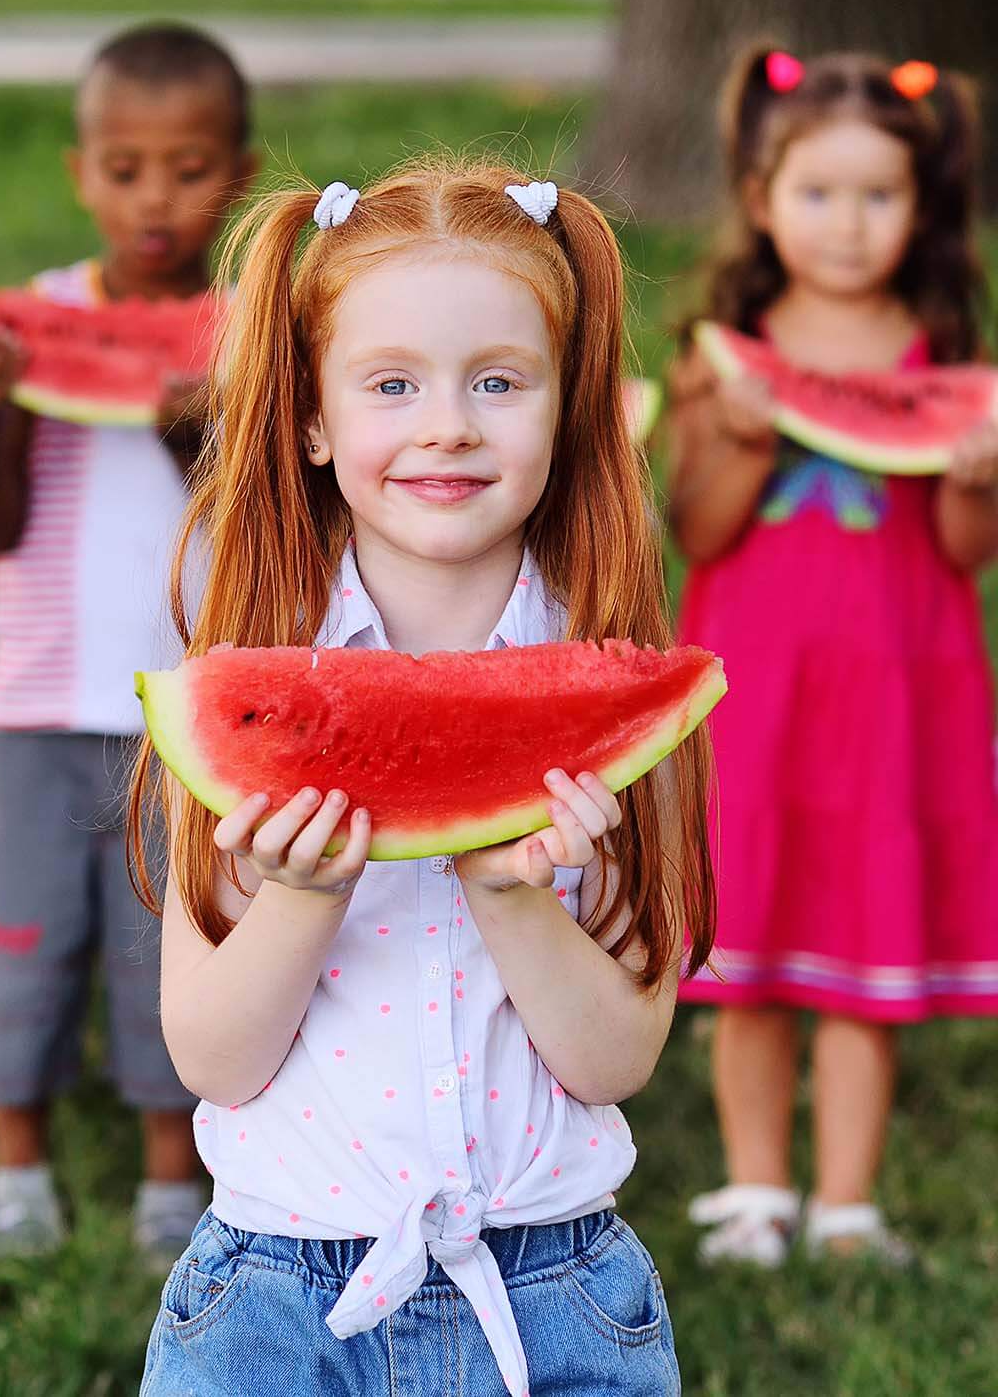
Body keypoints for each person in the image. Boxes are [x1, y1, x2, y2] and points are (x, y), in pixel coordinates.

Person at [132, 159, 715, 1396]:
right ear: (310, 418)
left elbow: (614, 1061)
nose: (445, 423)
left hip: (555, 1292)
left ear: (568, 409)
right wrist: (298, 892)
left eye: (496, 383)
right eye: (390, 383)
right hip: (275, 1301)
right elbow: (212, 1057)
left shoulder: (617, 711)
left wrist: (511, 898)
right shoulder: (239, 685)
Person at [0, 23, 256, 1267]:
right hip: (33, 703)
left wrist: (188, 426)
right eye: (124, 170)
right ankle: (17, 1162)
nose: (152, 198)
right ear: (80, 173)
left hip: (196, 709)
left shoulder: (252, 337)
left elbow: (259, 520)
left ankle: (174, 1175)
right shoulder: (37, 320)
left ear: (240, 173)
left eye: (185, 168)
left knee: (167, 933)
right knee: (15, 933)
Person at [670, 47, 998, 1267]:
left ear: (921, 208)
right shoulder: (723, 349)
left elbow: (967, 550)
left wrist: (975, 476)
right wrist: (741, 442)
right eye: (817, 193)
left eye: (878, 196)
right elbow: (694, 525)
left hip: (896, 701)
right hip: (752, 700)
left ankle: (848, 1203)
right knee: (745, 959)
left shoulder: (939, 347)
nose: (848, 225)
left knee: (872, 954)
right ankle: (755, 1193)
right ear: (760, 198)